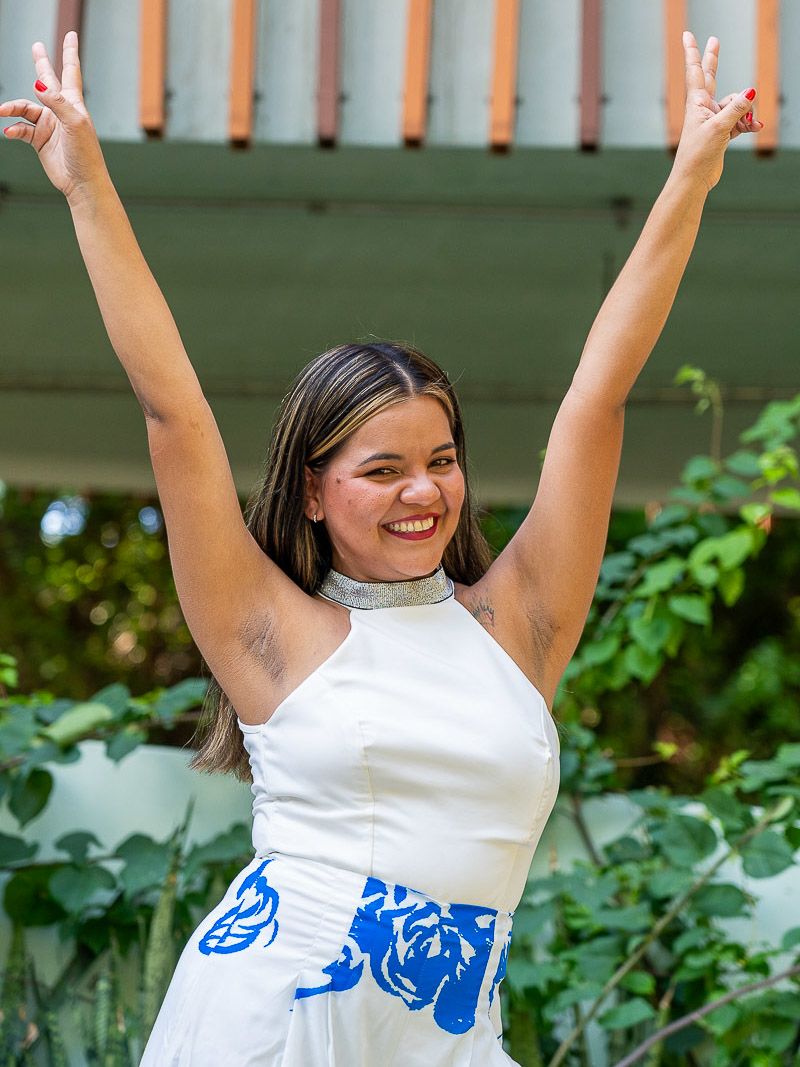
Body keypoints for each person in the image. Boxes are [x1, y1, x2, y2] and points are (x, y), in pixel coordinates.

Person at [1, 29, 761, 1066]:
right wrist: (86, 182)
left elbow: (596, 395)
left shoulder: (519, 624)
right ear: (311, 490)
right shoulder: (269, 634)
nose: (423, 491)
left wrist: (690, 176)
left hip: (444, 1037)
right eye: (380, 468)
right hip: (272, 1015)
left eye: (441, 459)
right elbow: (173, 412)